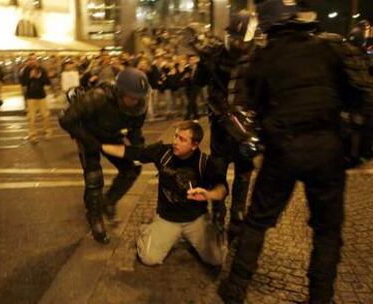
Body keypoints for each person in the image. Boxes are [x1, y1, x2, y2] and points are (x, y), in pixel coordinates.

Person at [218, 1, 373, 303]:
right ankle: (320, 297)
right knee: (327, 231)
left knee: (258, 220)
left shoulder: (262, 59)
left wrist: (254, 146)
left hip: (282, 150)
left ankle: (235, 288)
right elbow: (366, 97)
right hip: (327, 148)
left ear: (266, 25)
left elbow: (236, 112)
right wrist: (359, 150)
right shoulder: (331, 48)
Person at [102, 121, 228, 266]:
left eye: (182, 139)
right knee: (149, 258)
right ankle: (149, 230)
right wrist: (100, 147)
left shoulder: (204, 162)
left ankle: (206, 235)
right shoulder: (163, 153)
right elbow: (134, 152)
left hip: (195, 219)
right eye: (175, 136)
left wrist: (209, 194)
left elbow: (222, 187)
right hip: (167, 219)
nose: (175, 142)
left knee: (217, 259)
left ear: (194, 145)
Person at [186, 10, 258, 243]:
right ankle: (224, 213)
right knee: (229, 170)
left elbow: (197, 82)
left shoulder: (256, 57)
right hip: (229, 126)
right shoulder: (254, 57)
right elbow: (197, 82)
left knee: (238, 171)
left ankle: (231, 214)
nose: (236, 43)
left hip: (238, 127)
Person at [59, 67, 150, 244]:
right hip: (88, 135)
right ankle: (95, 217)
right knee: (94, 178)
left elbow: (135, 129)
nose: (135, 101)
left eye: (138, 97)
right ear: (120, 91)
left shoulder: (139, 105)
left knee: (131, 169)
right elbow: (65, 119)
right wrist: (89, 142)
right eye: (131, 96)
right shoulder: (97, 97)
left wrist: (140, 150)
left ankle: (108, 201)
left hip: (112, 137)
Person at [19, 53, 52, 143]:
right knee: (31, 118)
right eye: (31, 59)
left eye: (34, 59)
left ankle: (47, 133)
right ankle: (33, 136)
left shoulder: (42, 69)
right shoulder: (25, 70)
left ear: (36, 60)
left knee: (46, 115)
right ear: (28, 60)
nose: (32, 61)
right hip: (31, 97)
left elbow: (48, 82)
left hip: (42, 96)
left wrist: (39, 77)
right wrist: (30, 77)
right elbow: (23, 83)